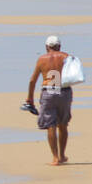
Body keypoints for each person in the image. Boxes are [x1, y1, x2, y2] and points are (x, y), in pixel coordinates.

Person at [25, 35, 73, 165]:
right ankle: (62, 155)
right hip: (64, 91)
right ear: (59, 46)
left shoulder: (42, 59)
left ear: (47, 47)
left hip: (49, 91)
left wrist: (30, 98)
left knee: (50, 125)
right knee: (63, 124)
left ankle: (55, 157)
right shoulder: (66, 57)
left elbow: (32, 80)